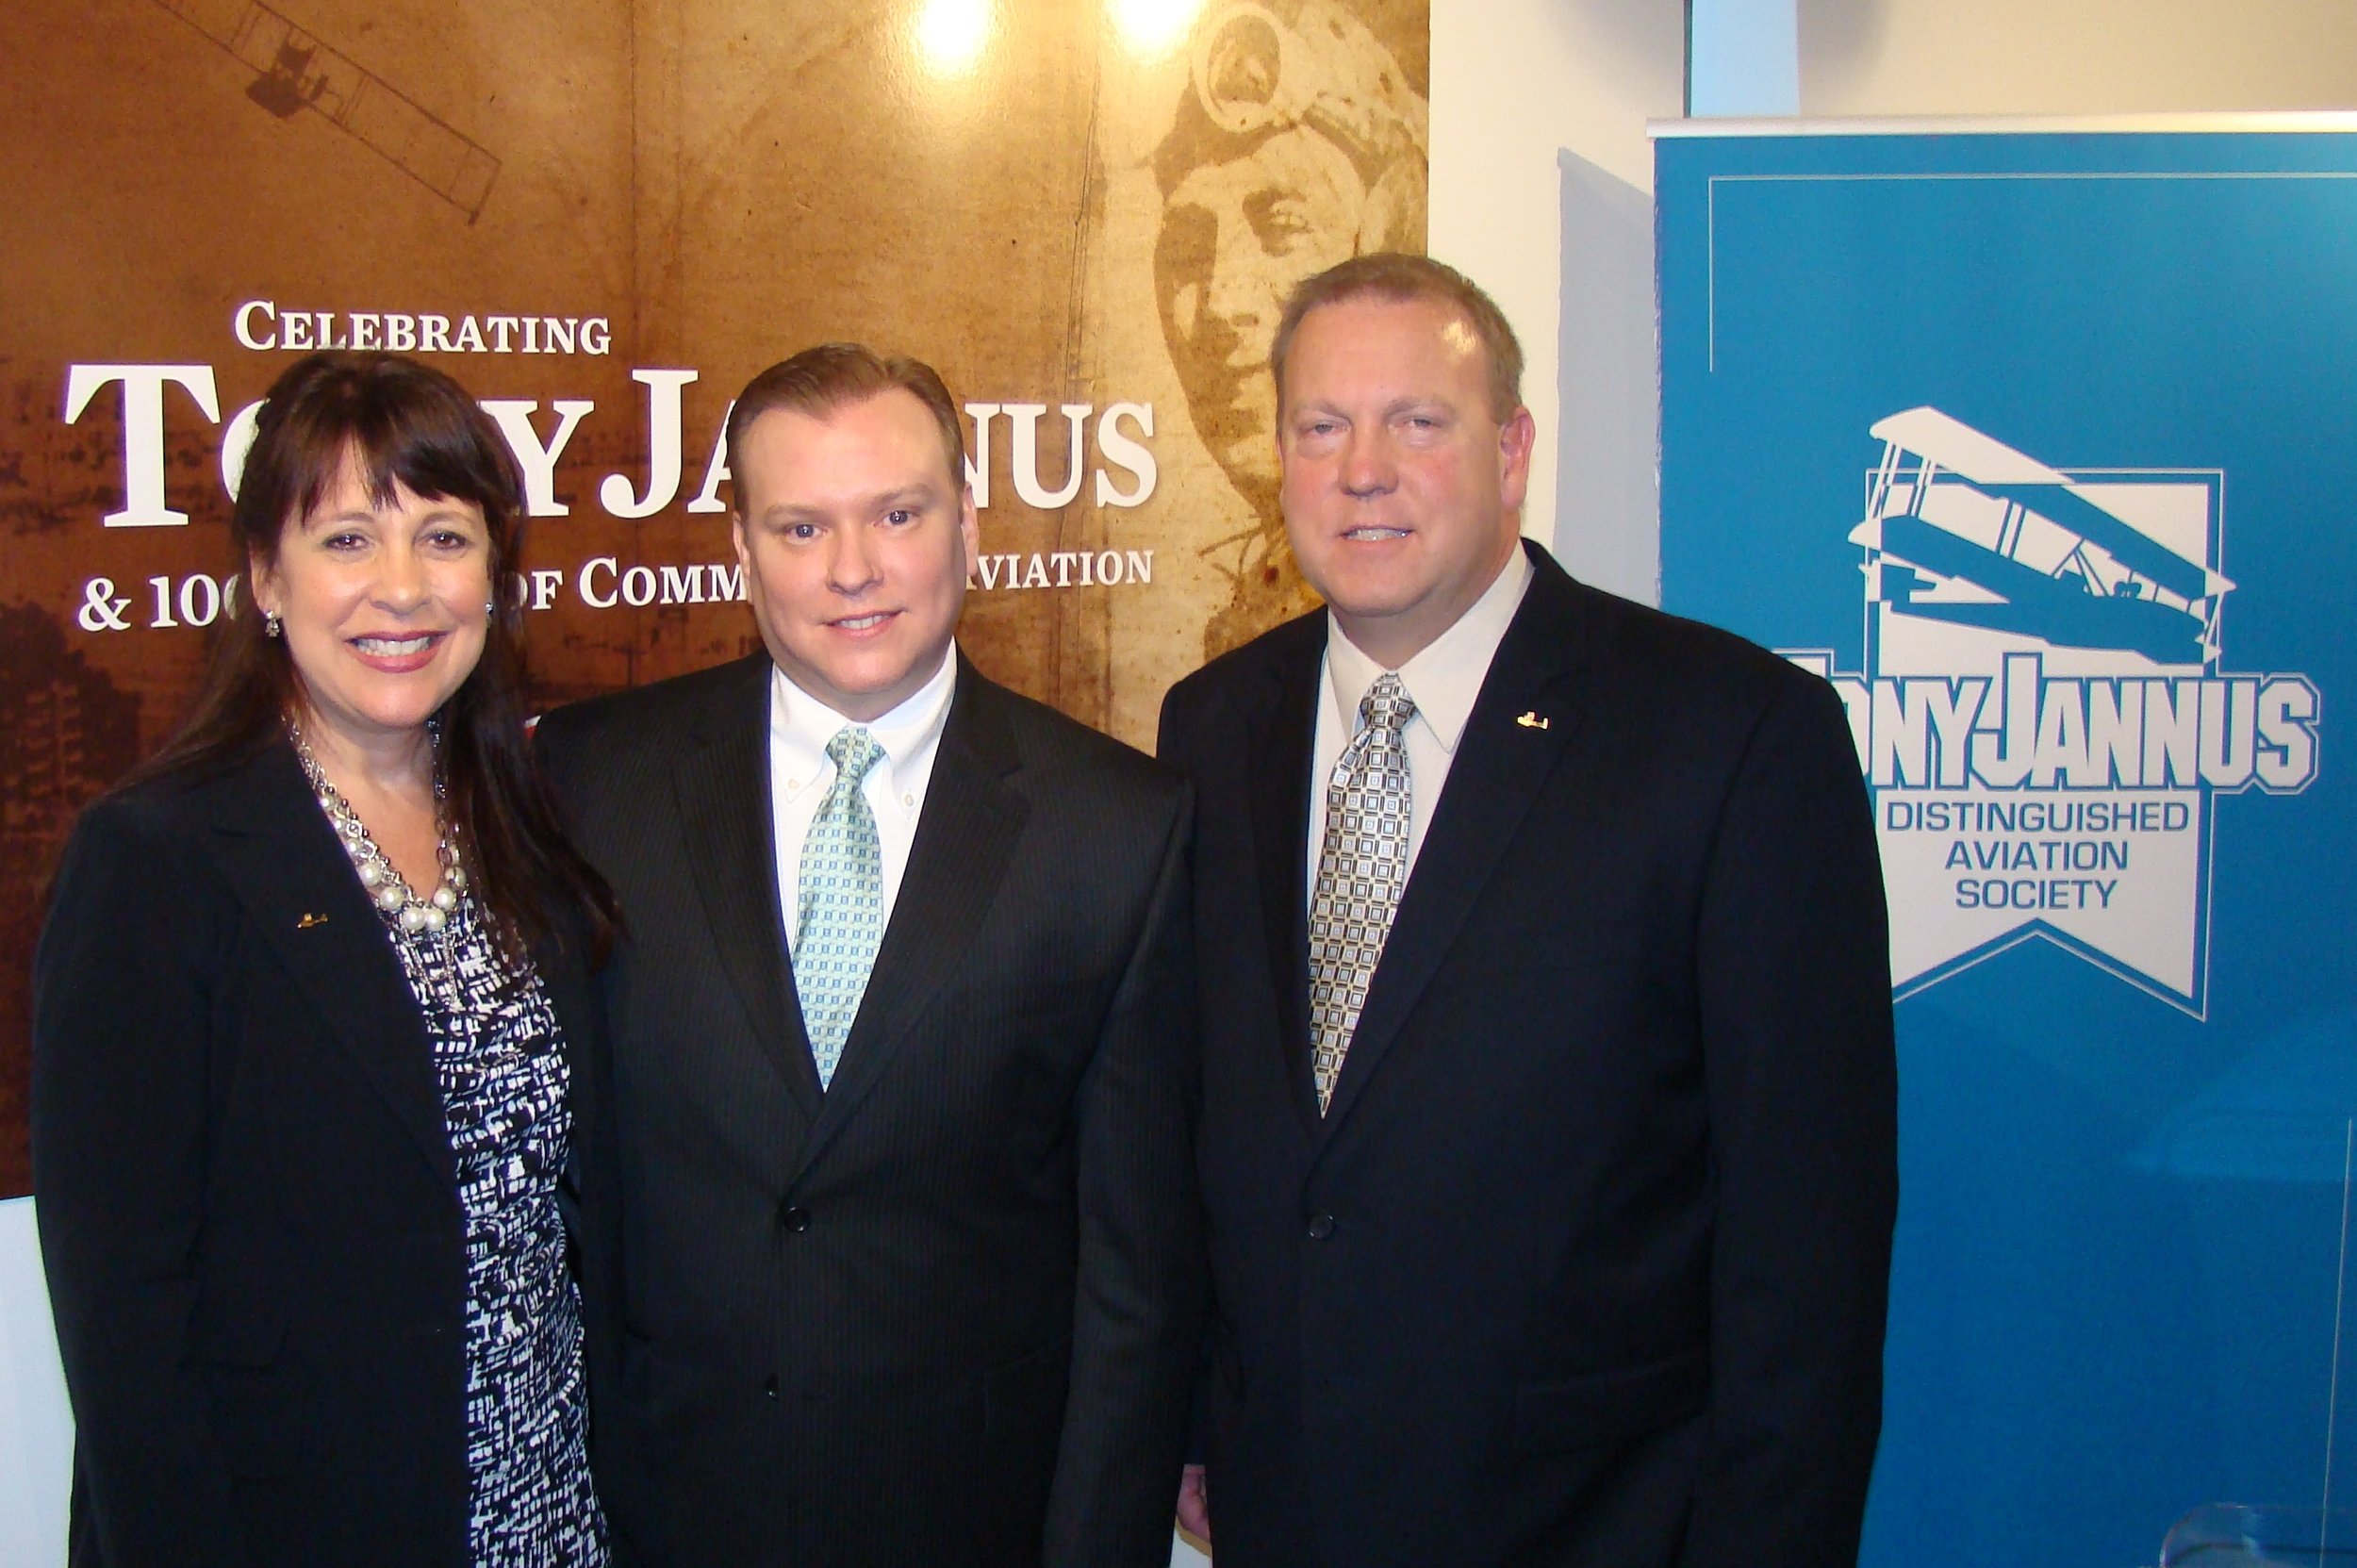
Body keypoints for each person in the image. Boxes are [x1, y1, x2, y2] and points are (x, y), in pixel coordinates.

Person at [1156, 253, 1899, 1568]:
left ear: (1512, 450)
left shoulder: (1730, 736)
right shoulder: (1213, 725)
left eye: (1416, 422)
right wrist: (1199, 1417)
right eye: (1321, 426)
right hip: (1287, 1510)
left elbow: (1808, 1237)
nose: (1361, 468)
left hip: (1597, 1520)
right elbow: (1213, 1126)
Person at [536, 343, 1203, 1567]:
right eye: (800, 525)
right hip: (661, 1516)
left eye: (898, 512)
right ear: (741, 545)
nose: (853, 568)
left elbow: (1137, 1281)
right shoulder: (589, 778)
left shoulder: (1118, 824)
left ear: (969, 520)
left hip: (969, 1519)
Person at [32, 351, 622, 1568]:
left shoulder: (539, 829)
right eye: (347, 539)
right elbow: (126, 1324)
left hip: (552, 1512)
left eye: (444, 538)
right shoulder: (157, 859)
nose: (401, 591)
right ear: (263, 576)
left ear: (496, 575)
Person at [1150, 0, 1426, 657]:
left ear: (1384, 243)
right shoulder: (1233, 672)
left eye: (1283, 228)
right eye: (1189, 251)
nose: (1219, 306)